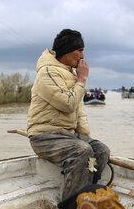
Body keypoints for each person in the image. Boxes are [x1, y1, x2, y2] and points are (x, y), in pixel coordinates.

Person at [27, 29, 111, 200]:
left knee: (101, 150)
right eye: (79, 50)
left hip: (68, 136)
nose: (83, 55)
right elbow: (68, 104)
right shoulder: (48, 73)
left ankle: (87, 197)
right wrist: (81, 80)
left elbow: (78, 111)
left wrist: (86, 136)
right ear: (67, 50)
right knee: (82, 151)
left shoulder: (70, 75)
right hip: (44, 136)